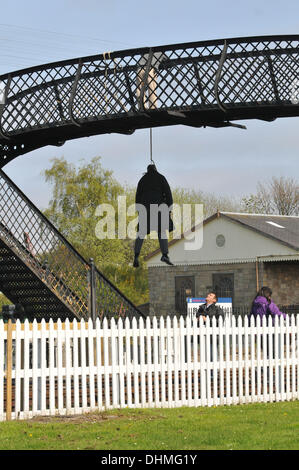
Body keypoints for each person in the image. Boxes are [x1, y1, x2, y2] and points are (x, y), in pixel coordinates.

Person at [133, 164, 174, 267]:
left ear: (147, 170)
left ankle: (136, 256)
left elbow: (137, 198)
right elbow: (169, 195)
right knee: (161, 231)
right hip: (159, 209)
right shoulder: (161, 178)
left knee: (141, 233)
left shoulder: (142, 180)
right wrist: (168, 208)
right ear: (156, 169)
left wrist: (139, 211)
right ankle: (165, 254)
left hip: (145, 210)